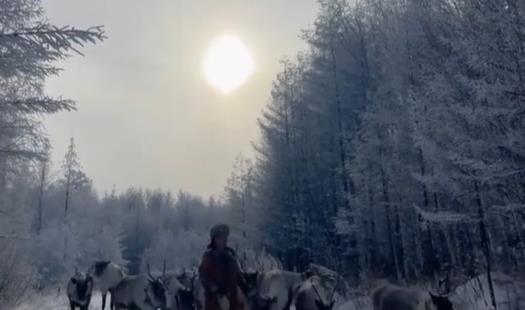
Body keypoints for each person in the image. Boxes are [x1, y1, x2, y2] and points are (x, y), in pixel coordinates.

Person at [199, 224, 246, 310]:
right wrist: (212, 286)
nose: (223, 240)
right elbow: (203, 275)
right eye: (220, 238)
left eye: (224, 237)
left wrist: (243, 283)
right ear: (214, 239)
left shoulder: (230, 255)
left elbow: (237, 273)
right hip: (215, 300)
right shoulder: (209, 256)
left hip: (232, 299)